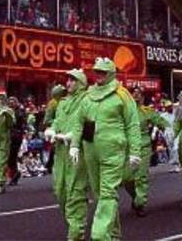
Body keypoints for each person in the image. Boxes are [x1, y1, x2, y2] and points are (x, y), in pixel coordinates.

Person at [70, 56, 142, 241]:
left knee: (108, 192)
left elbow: (132, 124)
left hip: (113, 151)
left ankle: (100, 235)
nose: (99, 75)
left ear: (111, 73)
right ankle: (113, 235)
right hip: (90, 150)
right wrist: (74, 145)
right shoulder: (88, 95)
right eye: (97, 71)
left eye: (102, 72)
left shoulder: (122, 95)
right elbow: (79, 122)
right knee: (99, 193)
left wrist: (135, 152)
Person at [48, 68, 89, 241]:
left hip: (78, 152)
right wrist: (51, 130)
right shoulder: (63, 103)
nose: (68, 83)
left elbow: (90, 124)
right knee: (61, 192)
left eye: (73, 80)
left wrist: (73, 137)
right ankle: (74, 227)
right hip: (60, 153)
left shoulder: (87, 101)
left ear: (80, 83)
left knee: (75, 193)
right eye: (68, 80)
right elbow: (56, 121)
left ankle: (76, 233)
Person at [123, 85, 169, 216]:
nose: (136, 96)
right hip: (127, 148)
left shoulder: (147, 111)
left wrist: (168, 130)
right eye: (134, 93)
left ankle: (140, 203)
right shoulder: (123, 111)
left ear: (143, 97)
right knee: (126, 178)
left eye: (139, 94)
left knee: (141, 176)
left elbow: (161, 122)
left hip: (143, 147)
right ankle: (135, 197)